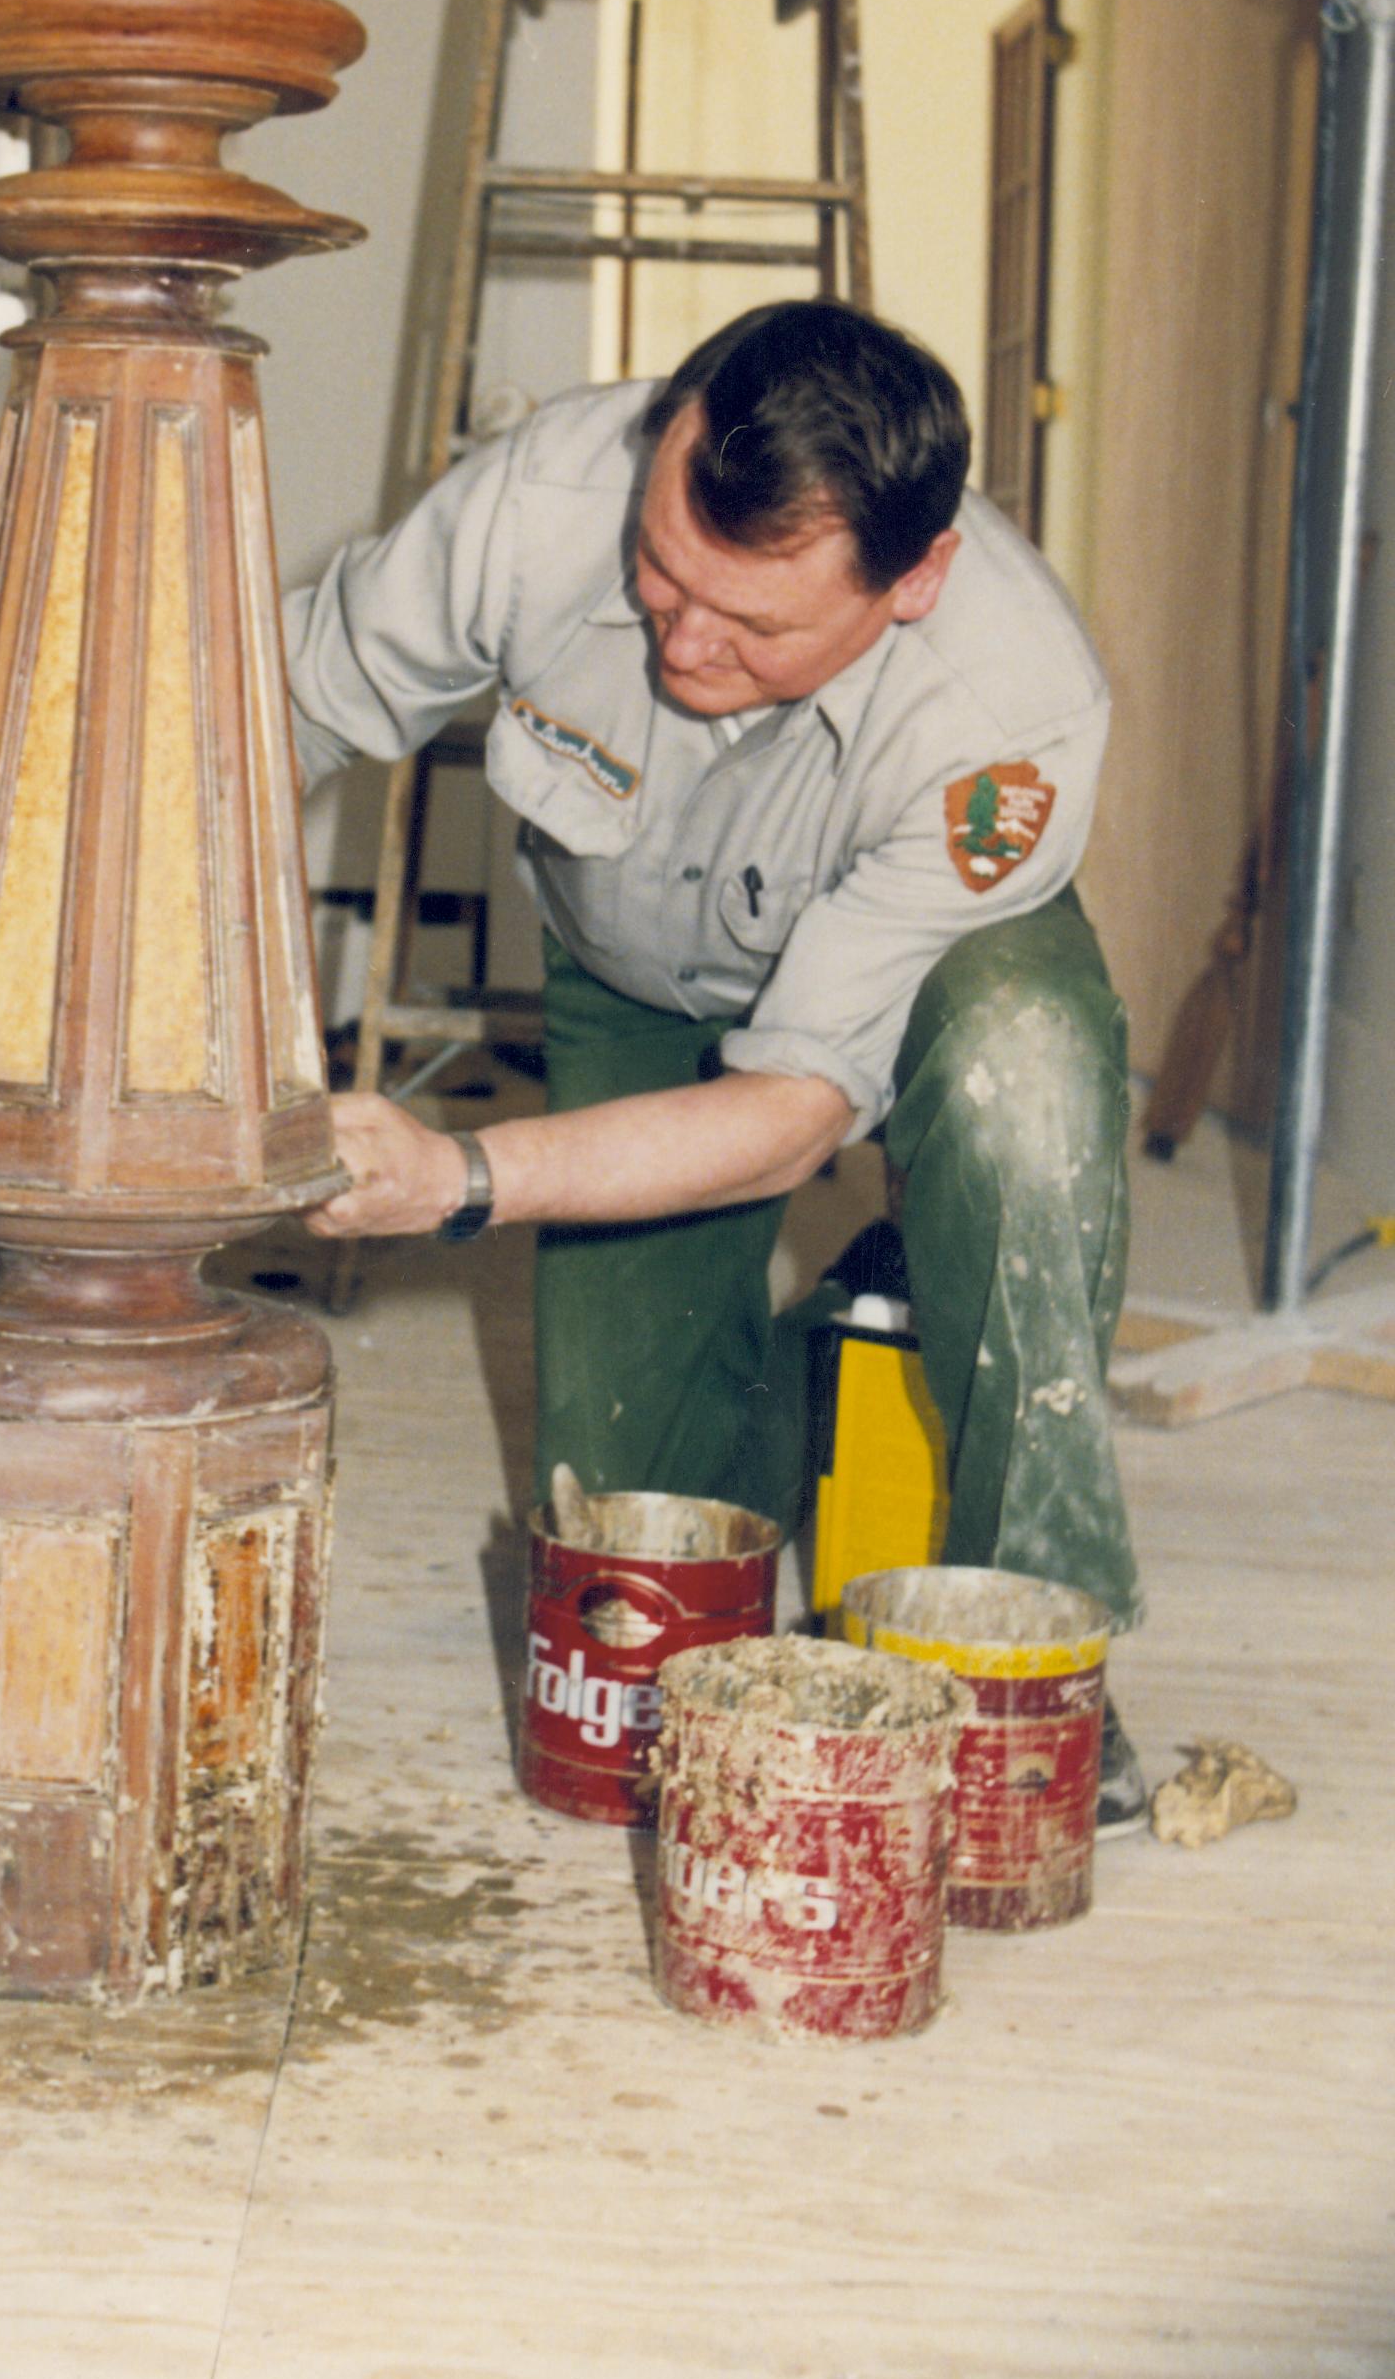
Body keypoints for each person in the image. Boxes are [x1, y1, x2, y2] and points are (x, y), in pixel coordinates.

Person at [284, 298, 1147, 1822]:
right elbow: (266, 714)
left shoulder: (1009, 709)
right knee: (640, 1604)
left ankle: (1042, 1647)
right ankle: (829, 1361)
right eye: (666, 576)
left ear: (916, 582)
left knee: (1025, 1087)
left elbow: (789, 1115)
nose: (683, 643)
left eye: (755, 625)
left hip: (915, 984)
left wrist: (462, 1178)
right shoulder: (542, 497)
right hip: (633, 971)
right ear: (664, 437)